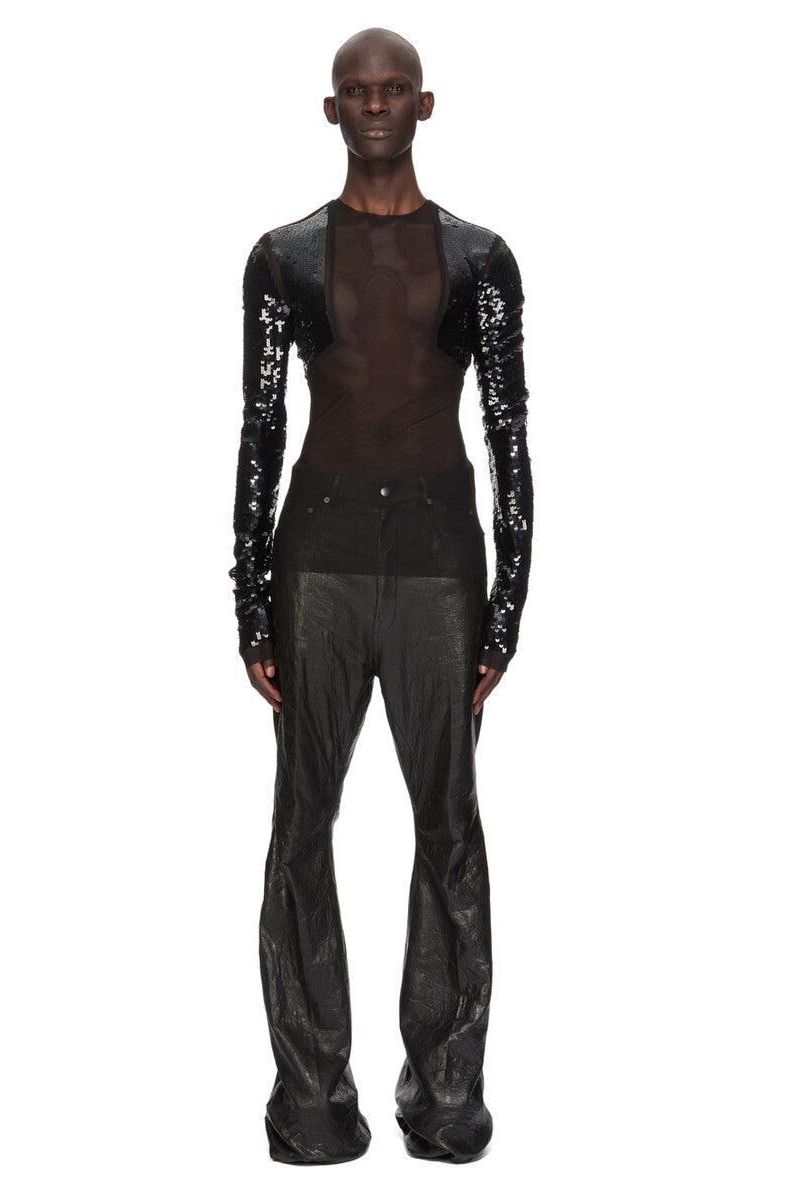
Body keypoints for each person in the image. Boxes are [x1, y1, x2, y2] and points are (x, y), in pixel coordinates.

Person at [229, 26, 534, 1165]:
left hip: (440, 567)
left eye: (392, 88)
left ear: (424, 105)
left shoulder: (481, 259)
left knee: (448, 825)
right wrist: (249, 599)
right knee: (300, 823)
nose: (373, 105)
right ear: (330, 110)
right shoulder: (286, 259)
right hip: (317, 560)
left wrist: (508, 604)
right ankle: (312, 1097)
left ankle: (446, 1094)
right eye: (355, 91)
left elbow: (508, 434)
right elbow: (262, 429)